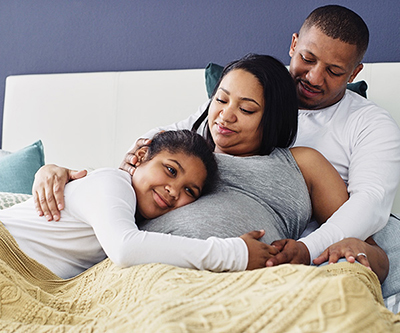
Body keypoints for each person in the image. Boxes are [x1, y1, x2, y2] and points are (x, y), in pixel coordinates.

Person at [31, 53, 389, 283]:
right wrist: (58, 173)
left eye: (247, 110)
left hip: (246, 281)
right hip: (140, 274)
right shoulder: (180, 152)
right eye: (220, 99)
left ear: (274, 120)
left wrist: (357, 251)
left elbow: (372, 250)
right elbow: (111, 192)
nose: (225, 116)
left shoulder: (303, 162)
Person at [0, 130, 282, 279]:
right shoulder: (112, 182)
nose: (173, 191)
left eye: (189, 191)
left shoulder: (130, 211)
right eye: (170, 170)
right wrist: (234, 253)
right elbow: (126, 248)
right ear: (142, 156)